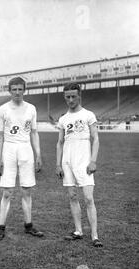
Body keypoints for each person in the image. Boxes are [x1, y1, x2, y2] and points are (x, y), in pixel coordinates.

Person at [0, 77, 43, 240]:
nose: (17, 92)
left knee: (26, 190)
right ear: (9, 90)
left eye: (20, 89)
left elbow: (34, 133)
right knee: (7, 191)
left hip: (25, 149)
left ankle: (29, 225)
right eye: (14, 89)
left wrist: (38, 154)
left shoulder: (31, 108)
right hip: (9, 148)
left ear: (24, 90)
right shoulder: (2, 109)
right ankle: (1, 227)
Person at [56, 82, 102, 247]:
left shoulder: (88, 115)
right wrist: (58, 164)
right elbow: (60, 143)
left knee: (89, 198)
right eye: (67, 97)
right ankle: (78, 231)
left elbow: (95, 139)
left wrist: (93, 160)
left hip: (84, 161)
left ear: (79, 96)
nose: (70, 100)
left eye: (73, 96)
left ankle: (95, 236)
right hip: (67, 161)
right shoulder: (63, 119)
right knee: (72, 196)